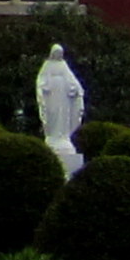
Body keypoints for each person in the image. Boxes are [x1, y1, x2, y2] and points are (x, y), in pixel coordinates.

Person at [35, 44, 86, 177]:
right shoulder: (47, 65)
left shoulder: (64, 66)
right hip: (52, 96)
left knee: (63, 117)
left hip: (63, 97)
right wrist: (43, 88)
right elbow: (40, 80)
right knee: (52, 116)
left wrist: (76, 89)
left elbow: (72, 81)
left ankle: (62, 136)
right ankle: (53, 136)